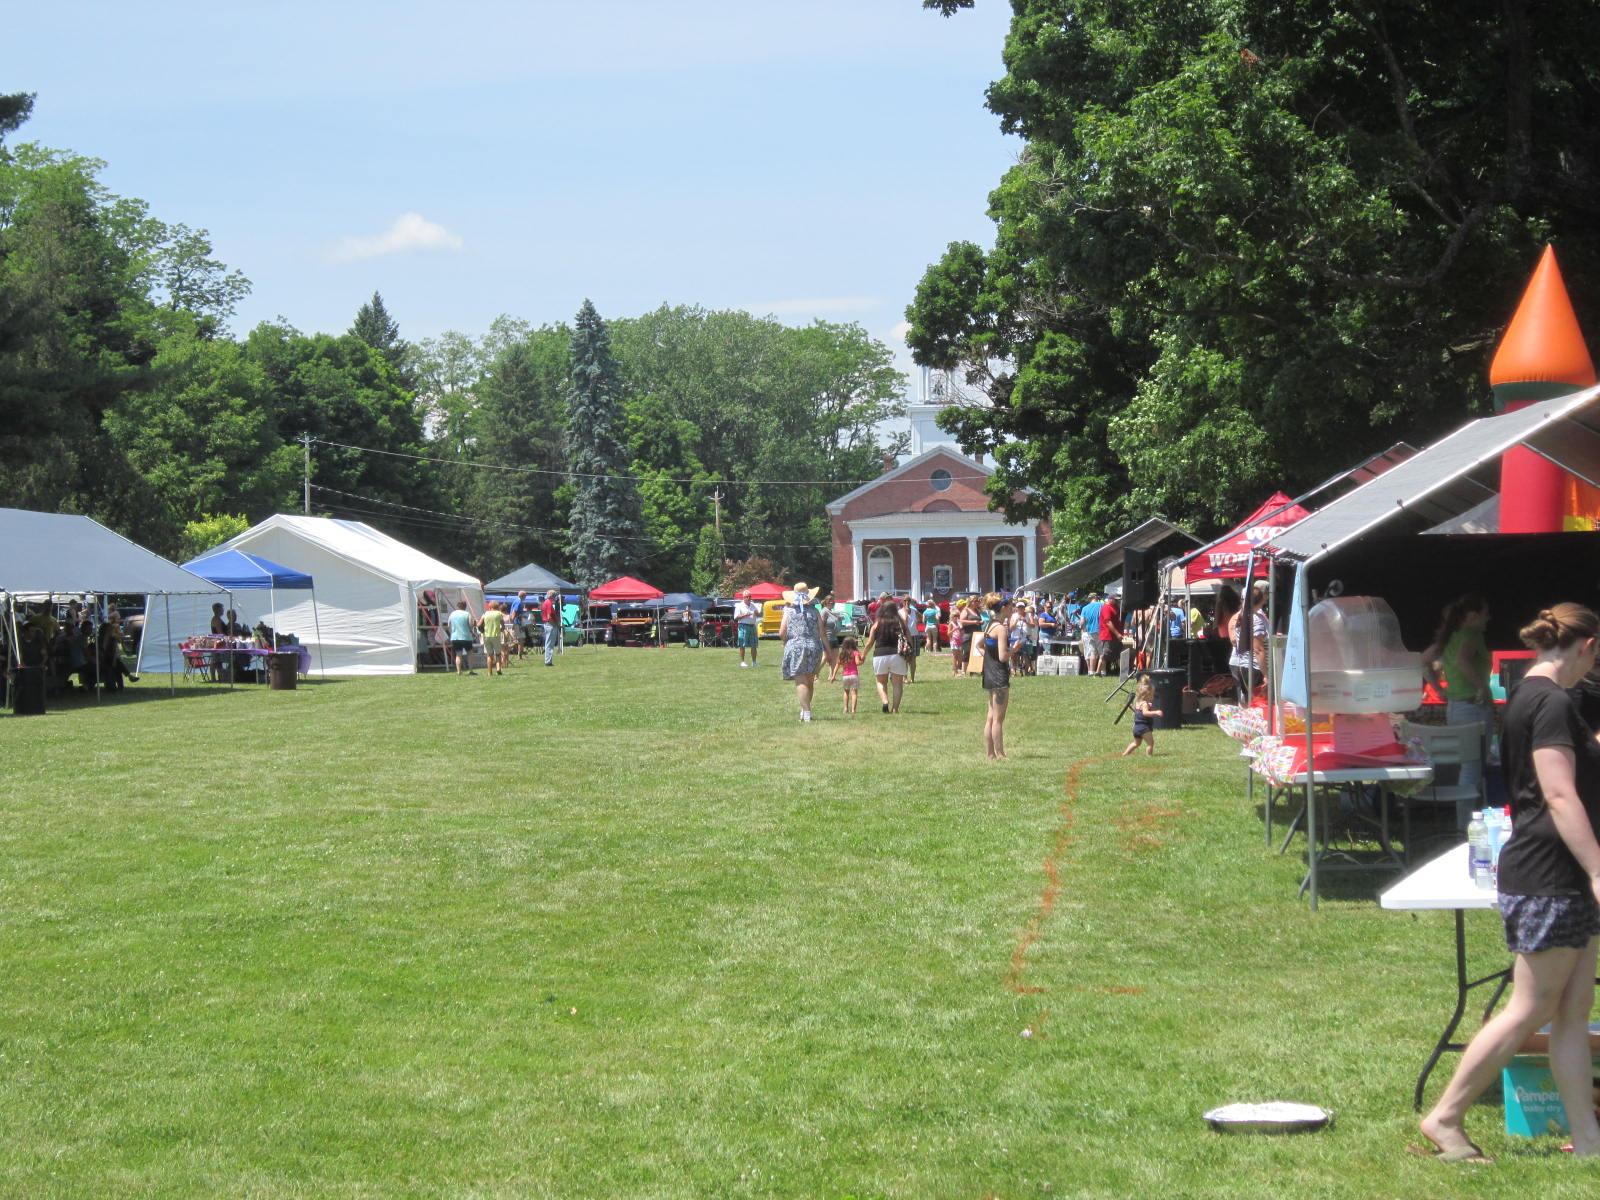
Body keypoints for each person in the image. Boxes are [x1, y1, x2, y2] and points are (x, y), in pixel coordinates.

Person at [1419, 603, 1600, 1163]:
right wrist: (1597, 869)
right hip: (1551, 874)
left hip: (1560, 873)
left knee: (1571, 1012)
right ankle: (1445, 1118)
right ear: (1588, 646)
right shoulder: (1549, 702)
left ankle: (1590, 1143)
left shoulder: (1534, 694)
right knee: (1529, 1007)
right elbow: (1559, 793)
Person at [1423, 594, 1493, 794]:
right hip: (1473, 708)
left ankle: (1468, 818)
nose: (1489, 618)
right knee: (1474, 768)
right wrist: (1482, 688)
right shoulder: (1471, 635)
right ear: (1472, 616)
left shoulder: (1449, 638)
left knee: (1468, 767)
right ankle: (1469, 821)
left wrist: (1438, 689)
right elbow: (1463, 661)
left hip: (1455, 708)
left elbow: (1422, 661)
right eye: (1485, 613)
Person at [778, 583, 826, 722]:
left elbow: (782, 632)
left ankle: (806, 712)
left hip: (796, 647)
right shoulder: (815, 611)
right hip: (814, 647)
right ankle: (805, 710)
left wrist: (787, 640)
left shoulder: (788, 611)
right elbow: (822, 632)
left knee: (801, 681)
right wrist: (827, 650)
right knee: (809, 682)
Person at [980, 593, 1012, 759]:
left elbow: (979, 645)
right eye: (1010, 607)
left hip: (989, 674)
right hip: (999, 675)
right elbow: (1003, 656)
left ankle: (990, 754)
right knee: (998, 719)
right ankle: (1000, 753)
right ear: (1004, 608)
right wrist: (1015, 649)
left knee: (991, 717)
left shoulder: (989, 625)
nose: (1012, 610)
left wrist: (988, 657)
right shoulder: (1000, 629)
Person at [867, 598, 911, 713]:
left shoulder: (877, 623)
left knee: (881, 682)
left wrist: (863, 654)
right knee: (897, 684)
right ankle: (895, 709)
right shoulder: (900, 623)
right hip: (897, 655)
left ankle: (885, 701)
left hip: (880, 655)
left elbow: (870, 642)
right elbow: (909, 638)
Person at [1228, 582, 1268, 698]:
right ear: (1260, 601)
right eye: (1263, 599)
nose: (1265, 602)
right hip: (1254, 669)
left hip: (1245, 667)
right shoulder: (1255, 619)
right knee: (1257, 705)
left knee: (1249, 704)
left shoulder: (1243, 615)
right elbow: (1258, 649)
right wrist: (1266, 675)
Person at [1121, 675, 1163, 757]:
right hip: (1144, 727)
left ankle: (1125, 754)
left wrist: (1149, 705)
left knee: (1136, 743)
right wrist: (1156, 712)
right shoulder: (1144, 704)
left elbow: (1140, 711)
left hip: (1136, 727)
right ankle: (1149, 756)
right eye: (1152, 695)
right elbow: (1145, 713)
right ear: (1147, 695)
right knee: (1150, 743)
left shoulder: (1138, 702)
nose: (1153, 697)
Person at [448, 599, 476, 676]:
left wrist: (452, 631)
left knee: (458, 654)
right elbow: (471, 625)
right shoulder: (467, 614)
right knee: (470, 653)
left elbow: (448, 625)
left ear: (457, 606)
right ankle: (471, 670)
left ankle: (459, 671)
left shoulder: (452, 614)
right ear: (465, 606)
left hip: (455, 637)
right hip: (466, 636)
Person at [1098, 596, 1123, 677]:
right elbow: (1108, 622)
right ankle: (1101, 673)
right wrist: (1117, 633)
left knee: (1118, 653)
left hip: (1114, 636)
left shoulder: (1115, 607)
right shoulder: (1106, 608)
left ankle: (1121, 672)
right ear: (1110, 599)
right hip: (1107, 635)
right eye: (1116, 600)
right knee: (1105, 655)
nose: (1117, 601)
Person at [734, 589, 760, 668]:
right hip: (743, 626)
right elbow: (736, 617)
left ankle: (754, 662)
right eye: (747, 597)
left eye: (750, 596)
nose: (748, 598)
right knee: (742, 644)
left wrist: (757, 613)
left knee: (754, 645)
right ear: (743, 597)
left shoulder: (753, 605)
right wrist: (745, 615)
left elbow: (758, 614)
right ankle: (742, 662)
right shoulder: (739, 606)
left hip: (752, 626)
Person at [836, 635, 862, 714]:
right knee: (854, 693)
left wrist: (833, 675)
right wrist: (862, 661)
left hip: (845, 676)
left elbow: (838, 664)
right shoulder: (855, 652)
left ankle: (845, 709)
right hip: (854, 675)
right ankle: (853, 710)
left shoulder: (842, 654)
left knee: (846, 692)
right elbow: (857, 663)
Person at [479, 600, 506, 677]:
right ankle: (498, 668)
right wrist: (501, 629)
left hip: (486, 636)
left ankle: (489, 672)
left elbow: (479, 624)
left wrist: (482, 630)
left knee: (489, 655)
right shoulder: (499, 614)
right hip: (496, 635)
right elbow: (503, 626)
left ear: (490, 606)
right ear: (497, 607)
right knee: (498, 654)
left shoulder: (485, 614)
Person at [1081, 592, 1104, 675]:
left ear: (1089, 599)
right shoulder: (1101, 605)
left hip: (1089, 631)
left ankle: (1091, 671)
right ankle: (1101, 671)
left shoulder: (1084, 608)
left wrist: (1083, 629)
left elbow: (1082, 622)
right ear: (1096, 597)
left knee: (1092, 652)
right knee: (1102, 652)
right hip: (1100, 630)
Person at [539, 589, 561, 667]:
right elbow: (549, 617)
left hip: (547, 624)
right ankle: (548, 661)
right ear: (552, 596)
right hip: (550, 625)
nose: (555, 598)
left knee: (548, 643)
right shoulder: (548, 603)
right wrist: (555, 624)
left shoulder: (545, 603)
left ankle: (548, 660)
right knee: (550, 644)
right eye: (555, 596)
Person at [949, 599, 967, 677]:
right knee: (955, 656)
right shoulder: (951, 623)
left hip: (960, 640)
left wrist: (961, 628)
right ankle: (955, 671)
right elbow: (948, 633)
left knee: (960, 656)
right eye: (955, 616)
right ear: (952, 617)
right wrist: (954, 629)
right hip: (954, 641)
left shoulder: (959, 623)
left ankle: (958, 669)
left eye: (957, 616)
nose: (956, 617)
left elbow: (962, 630)